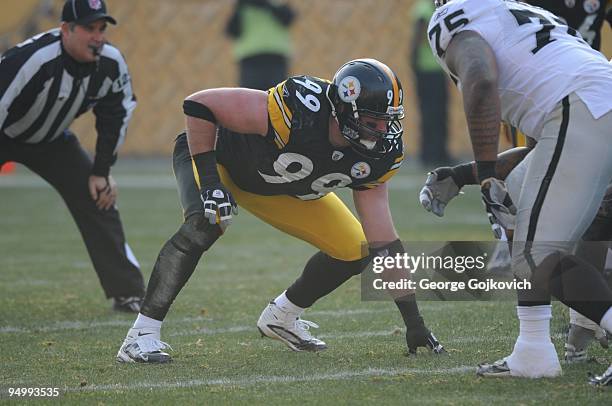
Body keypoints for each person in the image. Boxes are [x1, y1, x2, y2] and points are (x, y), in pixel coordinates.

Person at [116, 58, 445, 363]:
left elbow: (385, 244)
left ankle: (282, 317)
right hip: (219, 159)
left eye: (389, 121)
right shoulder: (301, 108)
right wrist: (211, 184)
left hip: (280, 187)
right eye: (374, 121)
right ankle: (140, 335)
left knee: (353, 249)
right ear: (344, 111)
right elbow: (200, 103)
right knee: (208, 219)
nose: (383, 131)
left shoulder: (379, 155)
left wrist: (413, 322)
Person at [426, 0, 612, 379]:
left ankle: (549, 346)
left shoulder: (452, 17)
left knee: (536, 255)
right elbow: (544, 152)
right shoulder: (520, 12)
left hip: (584, 110)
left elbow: (480, 81)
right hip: (592, 105)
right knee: (517, 198)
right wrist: (477, 173)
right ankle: (533, 352)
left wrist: (488, 173)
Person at [0, 0, 144, 312]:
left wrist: (102, 171)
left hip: (52, 141)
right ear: (65, 29)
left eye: (102, 28)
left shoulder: (110, 62)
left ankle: (127, 292)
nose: (98, 36)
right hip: (5, 134)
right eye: (89, 29)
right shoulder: (33, 59)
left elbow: (116, 113)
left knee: (100, 196)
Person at [409, 0, 452, 167]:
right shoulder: (423, 9)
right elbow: (417, 38)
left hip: (439, 69)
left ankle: (440, 152)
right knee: (430, 113)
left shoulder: (438, 7)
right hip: (427, 70)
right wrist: (415, 65)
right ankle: (429, 154)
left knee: (441, 113)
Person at [225, 0, 295, 90]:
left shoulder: (275, 3)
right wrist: (239, 7)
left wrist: (265, 4)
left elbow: (288, 18)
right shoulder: (243, 6)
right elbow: (232, 31)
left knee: (278, 95)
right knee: (251, 95)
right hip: (250, 59)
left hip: (274, 58)